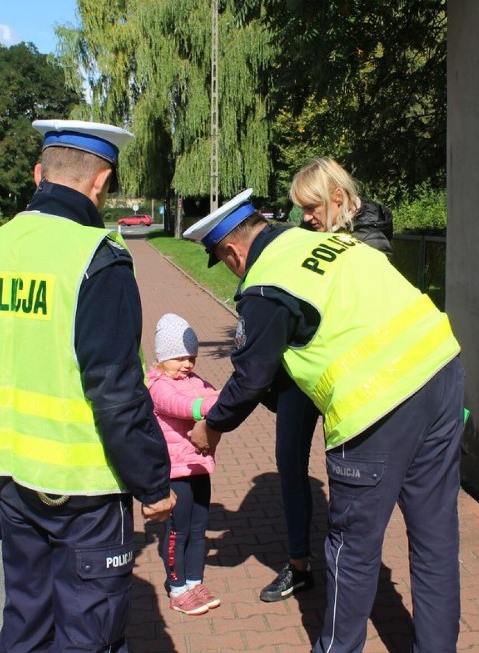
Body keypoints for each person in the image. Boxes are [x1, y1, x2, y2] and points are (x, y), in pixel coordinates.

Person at [183, 189, 464, 653]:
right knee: (435, 536)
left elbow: (251, 375)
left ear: (232, 252)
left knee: (352, 549)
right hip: (440, 368)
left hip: (376, 406)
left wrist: (212, 425)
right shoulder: (319, 240)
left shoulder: (267, 281)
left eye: (224, 261)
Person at [0, 119, 176, 653]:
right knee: (89, 637)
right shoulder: (97, 257)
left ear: (38, 174)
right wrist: (153, 483)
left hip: (12, 476)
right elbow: (116, 390)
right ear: (101, 182)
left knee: (26, 623)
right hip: (85, 488)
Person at [259, 157, 394, 602]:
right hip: (301, 375)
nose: (306, 218)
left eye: (312, 207)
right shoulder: (307, 236)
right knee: (290, 466)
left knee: (350, 477)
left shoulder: (371, 240)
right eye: (301, 209)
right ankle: (299, 564)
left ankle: (349, 572)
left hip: (348, 384)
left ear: (338, 199)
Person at [147, 313, 221, 616]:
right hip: (177, 472)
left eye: (191, 357)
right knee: (179, 530)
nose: (187, 364)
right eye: (179, 357)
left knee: (199, 527)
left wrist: (219, 400)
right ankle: (177, 589)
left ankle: (194, 582)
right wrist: (214, 406)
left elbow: (214, 393)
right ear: (163, 357)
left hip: (199, 467)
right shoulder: (157, 386)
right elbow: (182, 407)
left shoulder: (194, 381)